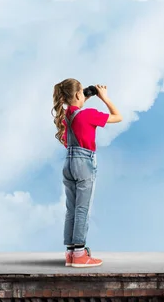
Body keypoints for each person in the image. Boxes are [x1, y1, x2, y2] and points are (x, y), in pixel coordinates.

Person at [52, 78, 122, 268]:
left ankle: (70, 253)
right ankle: (80, 254)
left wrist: (85, 95)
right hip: (84, 163)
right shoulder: (88, 115)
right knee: (83, 209)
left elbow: (76, 111)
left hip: (68, 162)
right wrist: (104, 97)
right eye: (81, 92)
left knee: (72, 209)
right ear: (76, 95)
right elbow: (118, 116)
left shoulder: (65, 116)